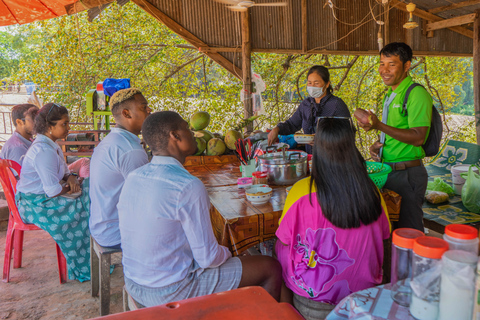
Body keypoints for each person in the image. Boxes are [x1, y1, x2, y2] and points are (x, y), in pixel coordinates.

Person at [118, 111, 282, 307]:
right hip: (170, 290)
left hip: (134, 282)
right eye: (187, 128)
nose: (193, 132)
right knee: (270, 267)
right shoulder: (187, 185)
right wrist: (231, 252)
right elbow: (209, 259)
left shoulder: (134, 176)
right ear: (175, 136)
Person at [275, 118, 391, 320]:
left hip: (313, 299)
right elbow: (384, 239)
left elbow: (284, 240)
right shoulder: (372, 191)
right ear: (352, 148)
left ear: (317, 150)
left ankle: (285, 311)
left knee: (278, 245)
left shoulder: (301, 191)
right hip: (364, 297)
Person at [356, 42, 432, 231]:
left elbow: (418, 137)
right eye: (382, 63)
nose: (384, 70)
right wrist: (379, 146)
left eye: (392, 64)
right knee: (390, 230)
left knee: (409, 230)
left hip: (407, 174)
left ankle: (413, 261)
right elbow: (395, 131)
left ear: (406, 66)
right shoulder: (390, 94)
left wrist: (378, 125)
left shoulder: (416, 94)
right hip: (388, 171)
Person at [15, 103, 91, 282]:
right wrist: (74, 187)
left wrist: (72, 177)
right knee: (85, 204)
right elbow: (54, 191)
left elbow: (64, 171)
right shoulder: (43, 151)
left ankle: (87, 260)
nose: (68, 128)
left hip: (43, 197)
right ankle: (83, 264)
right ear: (50, 127)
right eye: (64, 124)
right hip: (35, 204)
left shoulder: (51, 145)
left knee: (87, 194)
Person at [89, 88, 151, 249]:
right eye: (144, 107)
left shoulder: (113, 140)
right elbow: (146, 199)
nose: (150, 110)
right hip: (116, 232)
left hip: (101, 225)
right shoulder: (130, 150)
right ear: (126, 113)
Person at [267, 65, 351, 153]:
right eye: (310, 83)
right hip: (311, 158)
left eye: (316, 83)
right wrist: (277, 129)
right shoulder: (305, 105)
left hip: (333, 159)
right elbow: (291, 124)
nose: (312, 86)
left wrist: (324, 138)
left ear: (327, 84)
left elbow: (347, 134)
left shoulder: (337, 105)